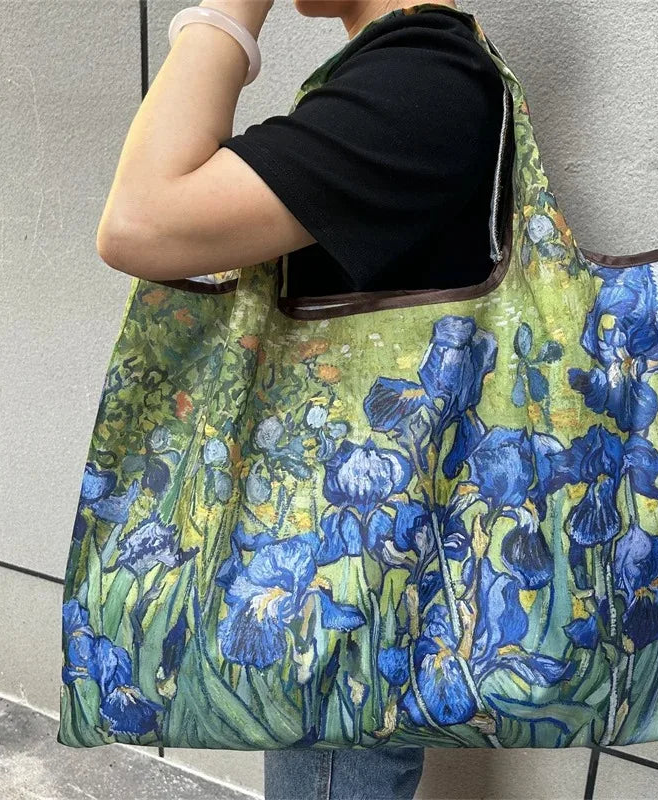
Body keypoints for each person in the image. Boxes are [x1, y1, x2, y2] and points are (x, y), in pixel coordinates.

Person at [95, 0, 505, 797]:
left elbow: (138, 220)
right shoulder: (402, 73)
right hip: (351, 558)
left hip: (348, 586)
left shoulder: (422, 77)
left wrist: (227, 13)